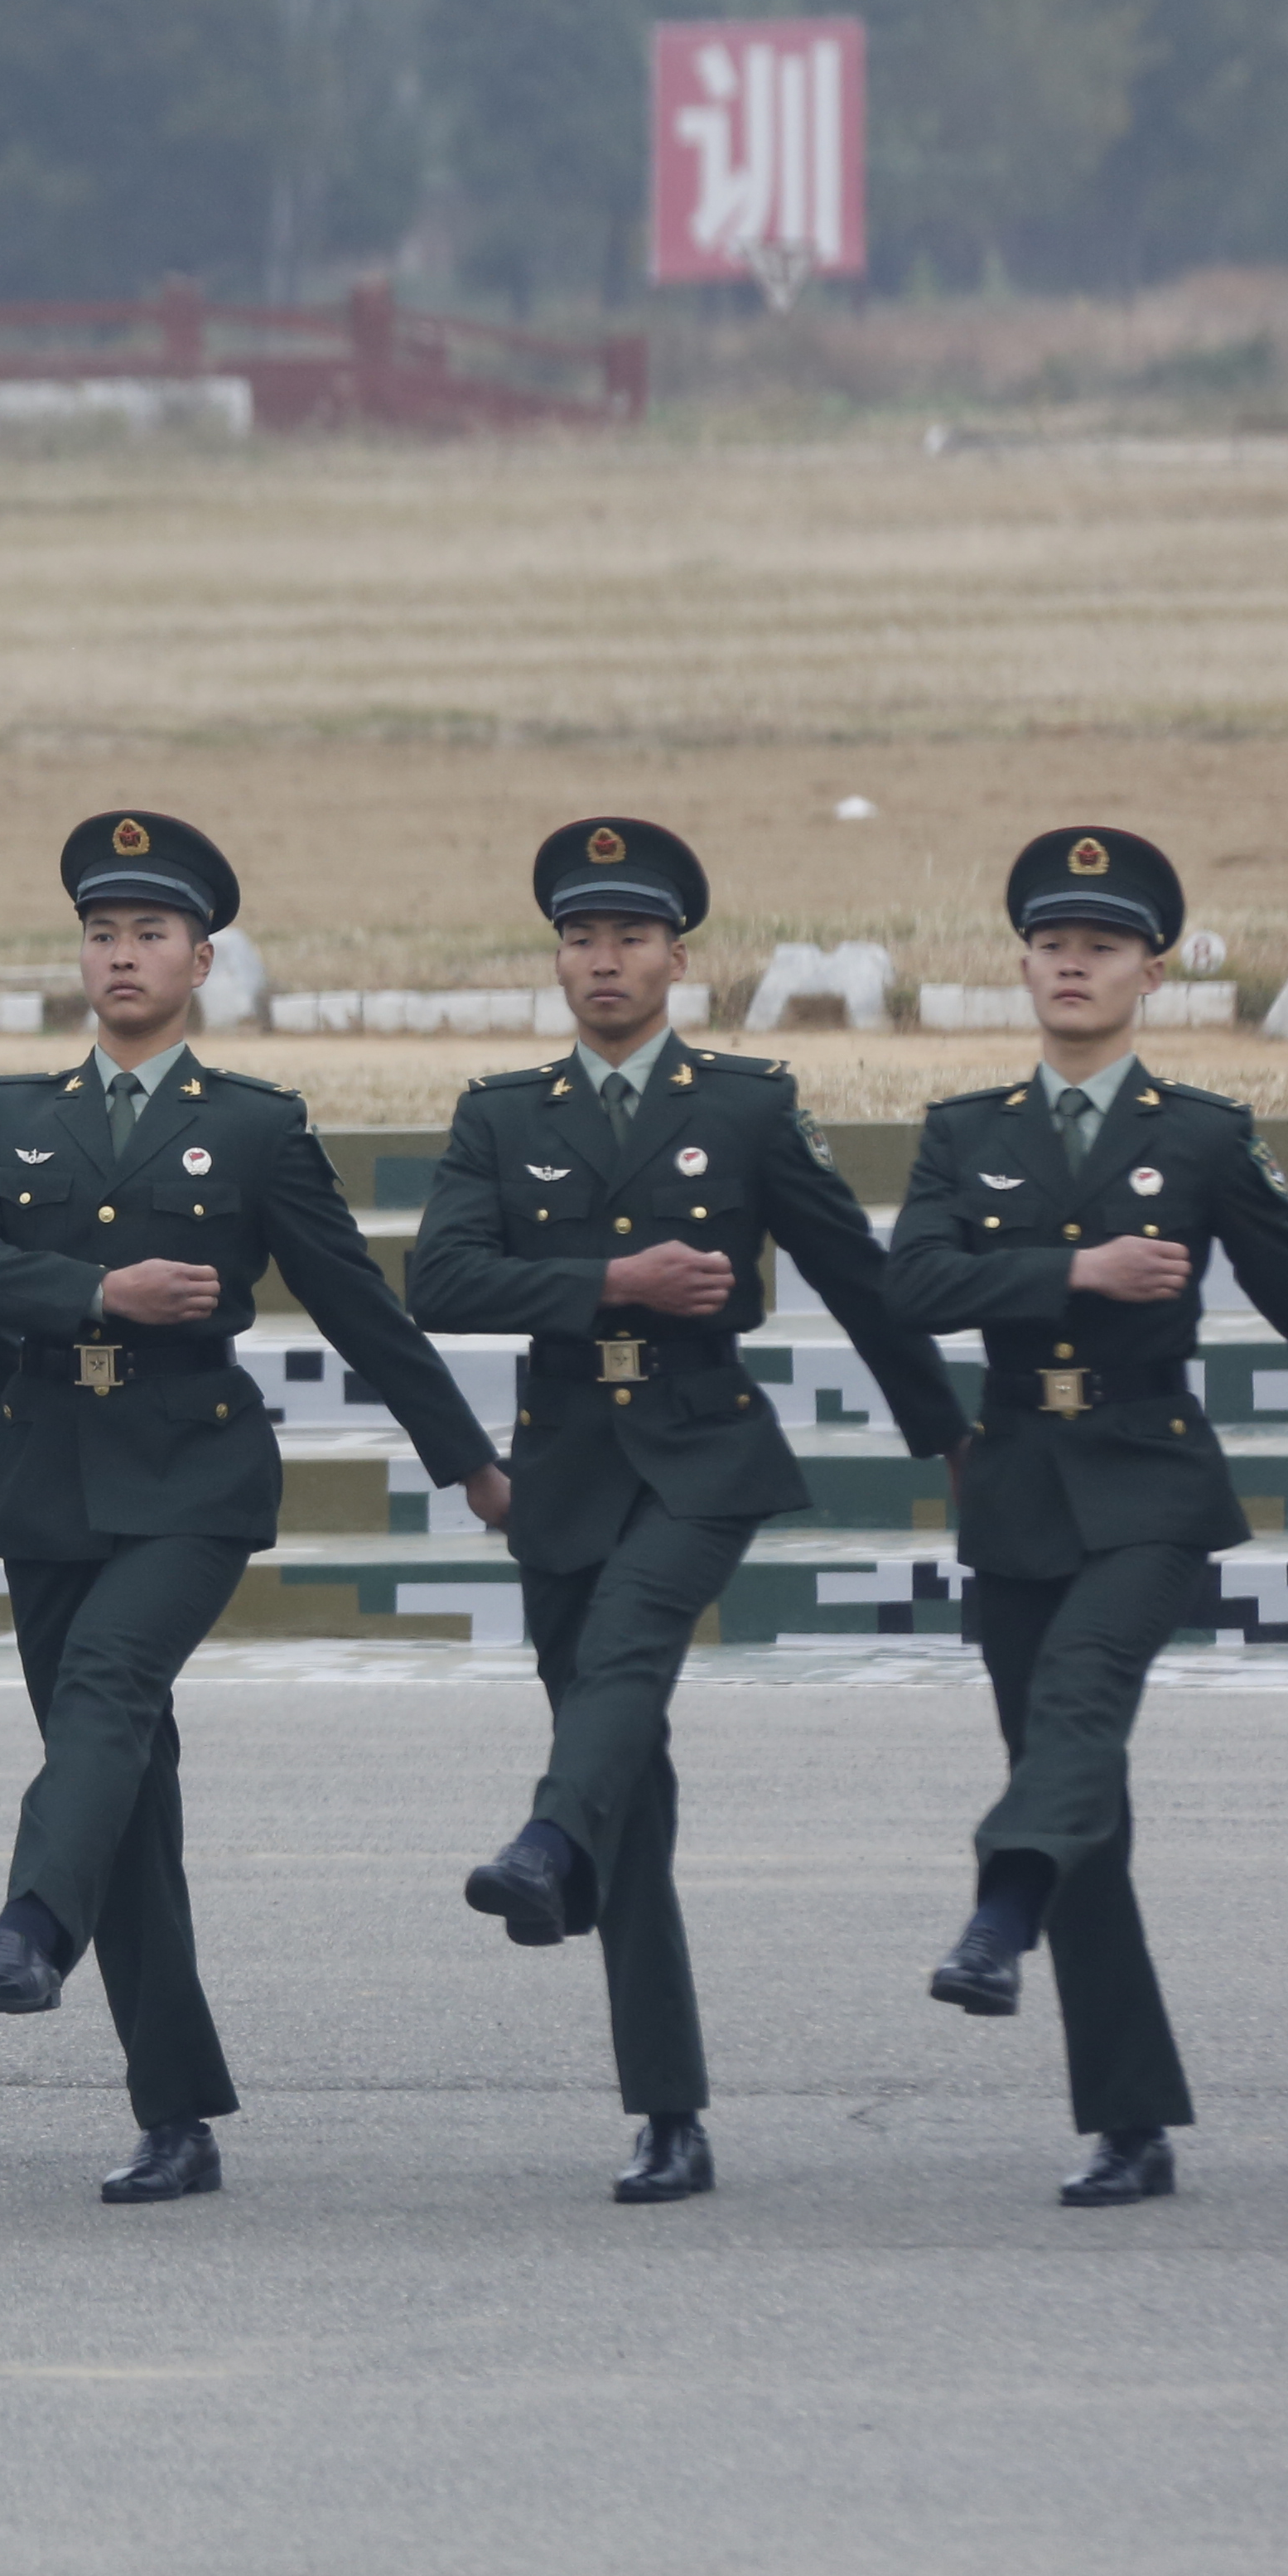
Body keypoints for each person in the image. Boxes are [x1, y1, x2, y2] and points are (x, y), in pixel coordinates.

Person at [0, 810, 502, 2205]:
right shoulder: (6, 1115)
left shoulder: (252, 1127)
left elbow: (360, 1309)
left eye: (151, 934)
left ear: (202, 961)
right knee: (122, 1794)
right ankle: (175, 2116)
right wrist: (94, 1295)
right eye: (102, 933)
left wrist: (470, 1462)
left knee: (106, 1689)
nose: (122, 955)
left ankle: (29, 1928)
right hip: (49, 1473)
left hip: (193, 1475)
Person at [406, 819, 966, 2205]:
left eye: (633, 938)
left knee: (629, 1650)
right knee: (627, 1794)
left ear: (676, 960)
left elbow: (857, 1276)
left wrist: (951, 1436)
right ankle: (668, 2111)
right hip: (563, 1470)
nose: (606, 960)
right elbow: (443, 1284)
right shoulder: (501, 1114)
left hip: (703, 1452)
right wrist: (611, 1284)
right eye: (583, 939)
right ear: (559, 961)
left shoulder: (747, 1106)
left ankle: (543, 1841)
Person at [882, 828, 1288, 2206]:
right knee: (1081, 1804)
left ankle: (999, 1915)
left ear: (1152, 974)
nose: (1075, 964)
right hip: (1017, 1485)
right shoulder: (967, 1132)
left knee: (1077, 1704)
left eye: (1104, 946)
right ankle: (1131, 2123)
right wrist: (1077, 1270)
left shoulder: (1202, 1134)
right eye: (1054, 944)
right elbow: (911, 1289)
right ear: (1024, 965)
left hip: (1151, 1480)